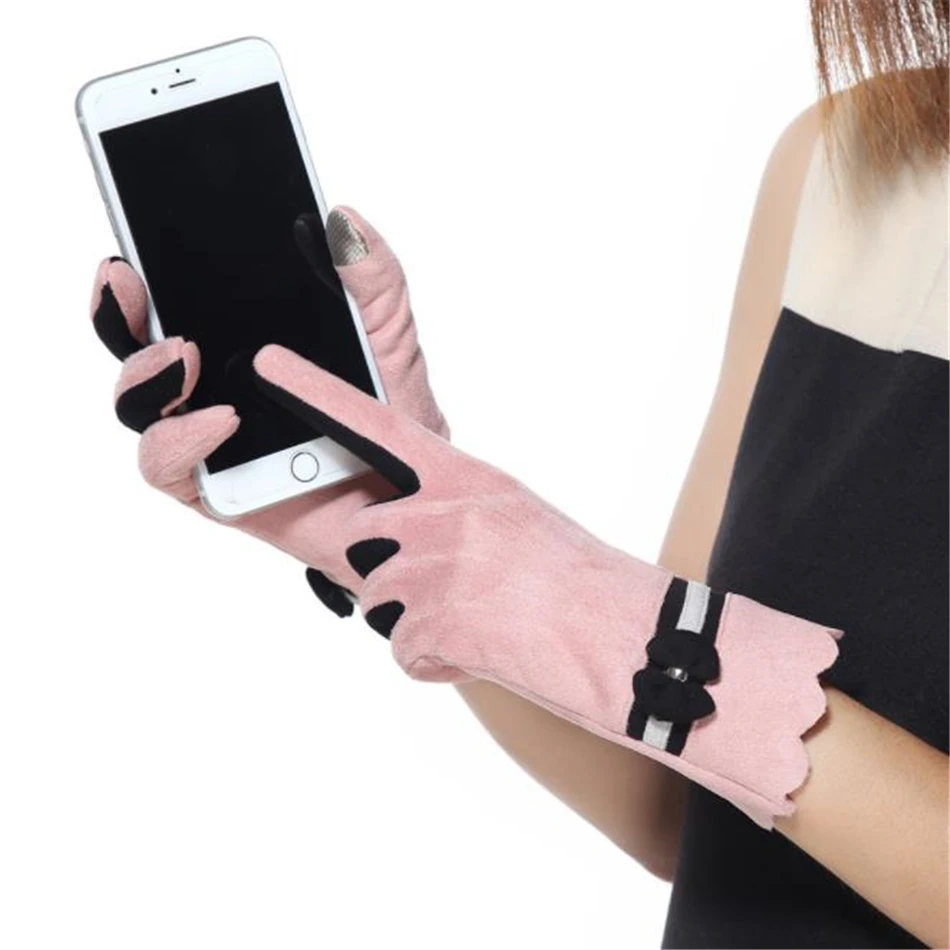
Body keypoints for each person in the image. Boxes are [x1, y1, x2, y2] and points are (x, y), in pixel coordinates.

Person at [87, 1, 948, 946]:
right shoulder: (848, 166)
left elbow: (675, 678)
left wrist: (613, 620)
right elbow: (672, 810)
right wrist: (406, 534)